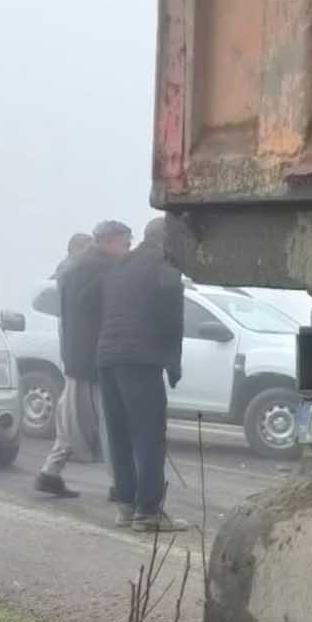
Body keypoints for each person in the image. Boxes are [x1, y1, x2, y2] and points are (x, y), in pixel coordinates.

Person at [96, 216, 188, 532]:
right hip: (140, 361)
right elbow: (172, 322)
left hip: (108, 360)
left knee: (120, 436)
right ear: (168, 240)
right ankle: (148, 511)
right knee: (148, 436)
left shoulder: (119, 266)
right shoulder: (165, 268)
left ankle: (126, 505)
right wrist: (173, 366)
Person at [34, 222, 131, 498]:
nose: (127, 250)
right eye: (124, 244)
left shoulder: (76, 268)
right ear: (108, 242)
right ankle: (121, 484)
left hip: (77, 358)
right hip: (94, 362)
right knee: (109, 424)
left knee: (70, 421)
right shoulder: (101, 271)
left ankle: (49, 473)